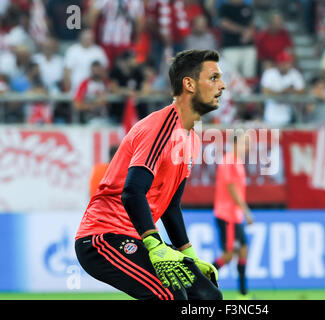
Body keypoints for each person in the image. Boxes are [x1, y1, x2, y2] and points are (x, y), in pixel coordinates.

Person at [75, 49, 226, 300]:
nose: (222, 85)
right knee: (169, 297)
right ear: (189, 84)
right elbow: (132, 192)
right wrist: (155, 244)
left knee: (208, 296)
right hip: (103, 237)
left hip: (135, 237)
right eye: (213, 78)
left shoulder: (192, 139)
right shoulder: (161, 127)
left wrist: (187, 253)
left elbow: (170, 206)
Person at [212, 133, 253, 299]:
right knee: (229, 255)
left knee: (243, 250)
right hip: (227, 215)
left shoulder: (237, 163)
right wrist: (246, 211)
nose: (248, 147)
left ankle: (243, 294)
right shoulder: (229, 161)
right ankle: (201, 280)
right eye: (245, 143)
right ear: (236, 144)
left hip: (235, 217)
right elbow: (231, 189)